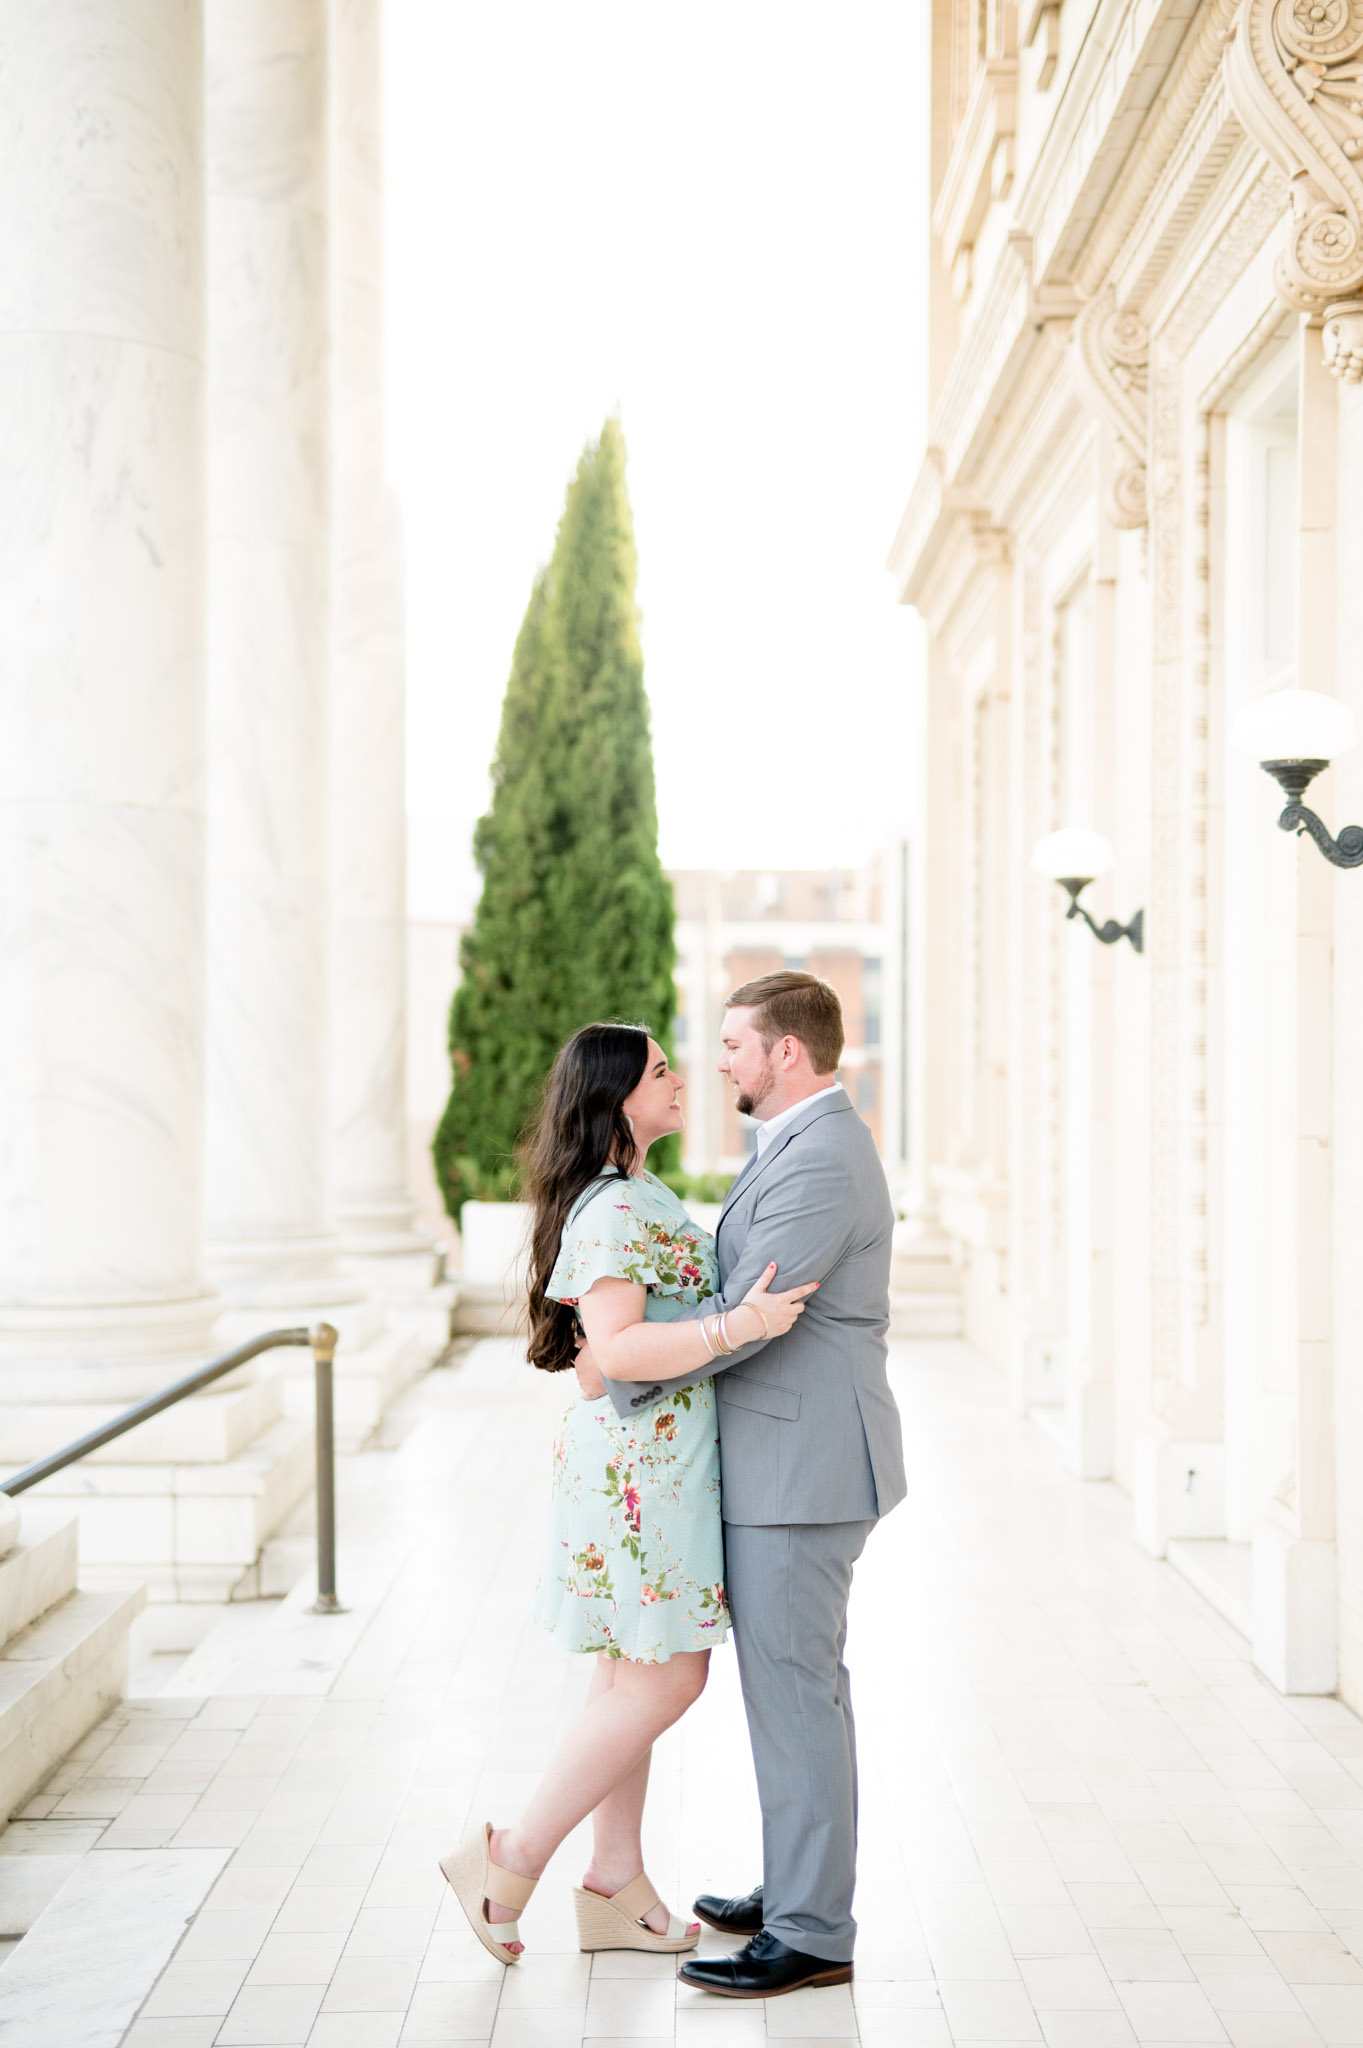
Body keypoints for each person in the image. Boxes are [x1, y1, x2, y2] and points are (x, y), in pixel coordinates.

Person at [438, 1020, 815, 1966]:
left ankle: (614, 1881)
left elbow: (599, 1367)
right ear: (615, 1098)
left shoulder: (633, 1192)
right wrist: (740, 1325)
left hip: (646, 1461)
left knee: (627, 1672)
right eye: (658, 1071)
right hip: (638, 1474)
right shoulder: (610, 1209)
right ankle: (509, 1861)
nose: (682, 1078)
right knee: (668, 1674)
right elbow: (613, 1354)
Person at [598, 970, 906, 2000]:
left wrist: (621, 1365)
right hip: (787, 1460)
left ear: (786, 1052)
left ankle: (814, 1927)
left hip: (804, 1469)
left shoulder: (822, 1158)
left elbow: (742, 1311)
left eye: (733, 1041)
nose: (717, 1058)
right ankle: (795, 1887)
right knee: (792, 1690)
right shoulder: (801, 1143)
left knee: (797, 1693)